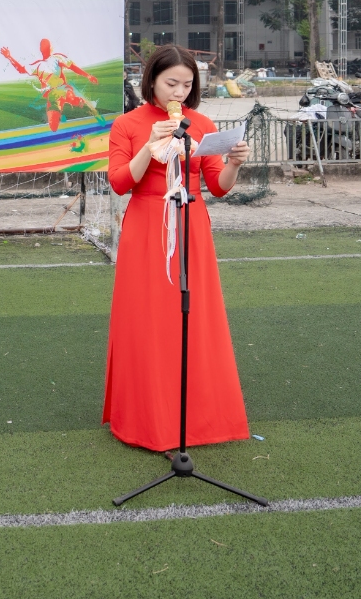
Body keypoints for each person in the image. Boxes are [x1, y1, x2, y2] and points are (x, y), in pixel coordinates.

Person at [103, 44, 251, 453]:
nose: (179, 92)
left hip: (191, 223)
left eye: (187, 85)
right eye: (171, 83)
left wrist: (234, 163)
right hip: (146, 223)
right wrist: (148, 147)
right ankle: (146, 418)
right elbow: (120, 182)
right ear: (151, 80)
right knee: (146, 318)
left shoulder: (200, 123)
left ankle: (199, 418)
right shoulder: (128, 124)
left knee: (194, 316)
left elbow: (218, 187)